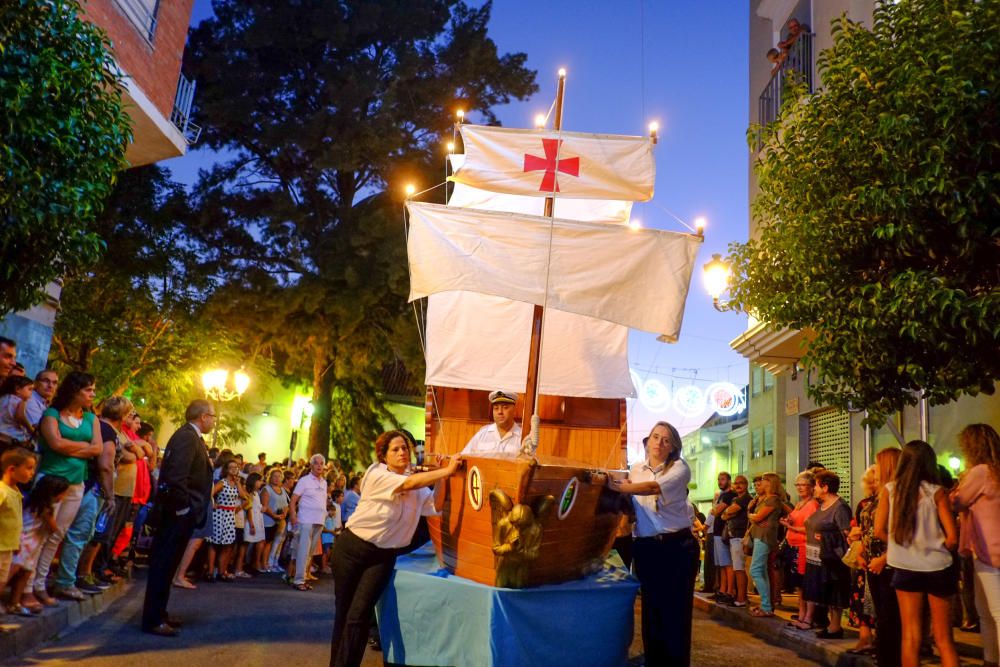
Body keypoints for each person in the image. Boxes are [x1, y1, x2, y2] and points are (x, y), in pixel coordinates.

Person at [330, 431, 461, 667]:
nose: (402, 453)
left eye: (405, 449)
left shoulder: (417, 487)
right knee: (344, 612)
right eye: (396, 449)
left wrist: (443, 477)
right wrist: (447, 470)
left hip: (383, 556)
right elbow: (408, 483)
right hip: (352, 548)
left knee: (359, 615)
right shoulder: (377, 474)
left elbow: (435, 505)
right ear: (384, 455)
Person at [609, 421, 698, 666]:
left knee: (676, 612)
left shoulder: (679, 468)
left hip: (676, 547)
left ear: (672, 447)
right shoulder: (636, 469)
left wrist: (618, 486)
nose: (659, 443)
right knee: (651, 609)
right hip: (647, 547)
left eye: (666, 440)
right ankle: (654, 661)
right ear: (647, 441)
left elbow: (651, 488)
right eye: (655, 437)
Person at [875, 440, 959, 667]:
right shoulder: (937, 492)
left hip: (905, 567)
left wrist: (900, 546)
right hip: (938, 566)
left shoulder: (890, 490)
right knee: (944, 639)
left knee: (910, 636)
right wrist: (936, 544)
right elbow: (952, 537)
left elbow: (879, 530)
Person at [28, 371, 102, 609]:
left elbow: (97, 449)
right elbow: (54, 443)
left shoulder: (91, 419)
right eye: (88, 390)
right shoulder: (52, 414)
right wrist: (82, 446)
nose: (93, 394)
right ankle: (27, 587)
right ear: (74, 391)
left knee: (57, 534)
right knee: (39, 533)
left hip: (76, 483)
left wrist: (68, 447)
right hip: (50, 481)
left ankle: (40, 584)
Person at [141, 400, 215, 637]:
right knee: (163, 565)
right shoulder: (187, 437)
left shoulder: (191, 437)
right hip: (176, 514)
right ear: (202, 417)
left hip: (181, 513)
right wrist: (184, 510)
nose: (214, 421)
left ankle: (160, 613)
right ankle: (153, 619)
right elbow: (176, 477)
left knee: (169, 565)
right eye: (212, 416)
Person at [952, 424, 1000, 667]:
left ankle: (992, 659)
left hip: (986, 550)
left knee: (992, 612)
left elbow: (958, 502)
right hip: (992, 547)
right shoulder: (995, 471)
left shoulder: (980, 472)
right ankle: (990, 659)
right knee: (987, 611)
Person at [8, 474, 70, 616]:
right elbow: (54, 528)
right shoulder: (45, 509)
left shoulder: (33, 503)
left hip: (31, 543)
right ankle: (13, 602)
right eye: (63, 493)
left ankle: (14, 603)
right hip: (25, 542)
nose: (64, 497)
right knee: (14, 572)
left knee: (24, 572)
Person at [862, 447, 902, 667]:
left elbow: (897, 531)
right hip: (873, 560)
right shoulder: (880, 494)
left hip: (888, 561)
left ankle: (890, 658)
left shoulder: (894, 492)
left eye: (878, 467)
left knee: (889, 616)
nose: (874, 473)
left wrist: (885, 556)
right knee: (881, 615)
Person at [803, 469, 852, 639]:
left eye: (816, 485)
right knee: (824, 592)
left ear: (825, 487)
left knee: (834, 591)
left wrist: (826, 537)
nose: (813, 489)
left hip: (832, 560)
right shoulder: (822, 505)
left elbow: (847, 535)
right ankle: (829, 624)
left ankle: (835, 626)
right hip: (817, 558)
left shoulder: (840, 508)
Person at [781, 470, 819, 630]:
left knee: (806, 584)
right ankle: (802, 614)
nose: (800, 487)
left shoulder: (812, 505)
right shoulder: (799, 503)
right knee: (798, 585)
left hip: (803, 547)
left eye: (804, 484)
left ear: (811, 487)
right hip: (794, 546)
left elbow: (810, 529)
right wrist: (789, 521)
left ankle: (808, 617)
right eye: (798, 485)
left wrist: (791, 527)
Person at [847, 466, 878, 653]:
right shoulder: (864, 504)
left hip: (881, 556)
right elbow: (857, 526)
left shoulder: (888, 501)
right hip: (864, 556)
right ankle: (865, 637)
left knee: (878, 600)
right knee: (860, 597)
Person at [0, 448, 36, 608]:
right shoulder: (2, 491)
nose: (32, 473)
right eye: (29, 468)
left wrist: (17, 543)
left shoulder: (16, 491)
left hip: (8, 547)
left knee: (2, 581)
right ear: (12, 469)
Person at [747, 472, 785, 617]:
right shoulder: (764, 499)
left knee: (755, 570)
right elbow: (754, 518)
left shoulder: (773, 500)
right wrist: (753, 516)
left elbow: (758, 517)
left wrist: (753, 516)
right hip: (759, 535)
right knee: (762, 571)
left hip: (765, 536)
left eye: (763, 480)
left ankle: (767, 605)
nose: (760, 483)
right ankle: (766, 605)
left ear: (769, 483)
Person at [289, 454, 328, 590]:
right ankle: (298, 580)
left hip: (319, 520)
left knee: (310, 553)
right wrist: (293, 515)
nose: (319, 466)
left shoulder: (324, 482)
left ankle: (304, 578)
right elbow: (293, 500)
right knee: (303, 551)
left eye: (321, 463)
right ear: (311, 465)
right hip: (306, 520)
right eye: (316, 463)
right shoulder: (304, 481)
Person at [206, 458, 248, 581]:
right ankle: (209, 572)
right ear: (227, 470)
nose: (235, 469)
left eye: (236, 467)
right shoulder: (222, 482)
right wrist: (213, 503)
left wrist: (238, 482)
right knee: (214, 544)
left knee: (227, 545)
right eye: (232, 467)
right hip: (219, 514)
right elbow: (210, 493)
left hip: (230, 515)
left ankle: (221, 571)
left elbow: (244, 496)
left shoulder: (236, 483)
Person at [460, 390, 522, 455]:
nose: (500, 412)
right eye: (496, 408)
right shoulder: (482, 434)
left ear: (514, 410)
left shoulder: (522, 438)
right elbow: (464, 456)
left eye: (505, 407)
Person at [721, 474, 751, 607]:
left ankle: (741, 598)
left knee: (739, 568)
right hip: (733, 536)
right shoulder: (735, 499)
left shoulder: (746, 499)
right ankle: (739, 596)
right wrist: (728, 512)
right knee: (736, 568)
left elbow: (729, 511)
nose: (738, 485)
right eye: (736, 483)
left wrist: (728, 512)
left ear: (746, 485)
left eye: (742, 483)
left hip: (740, 536)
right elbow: (723, 516)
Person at [262, 467, 290, 573]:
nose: (277, 478)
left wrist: (284, 514)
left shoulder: (282, 490)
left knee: (278, 542)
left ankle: (274, 562)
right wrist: (274, 515)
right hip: (269, 520)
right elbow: (265, 505)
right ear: (270, 477)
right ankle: (266, 563)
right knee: (268, 542)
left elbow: (287, 505)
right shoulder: (267, 489)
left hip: (280, 520)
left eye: (279, 476)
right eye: (275, 476)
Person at [240, 471, 265, 576]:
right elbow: (249, 509)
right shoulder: (249, 492)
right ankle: (239, 567)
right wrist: (251, 524)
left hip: (257, 519)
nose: (261, 483)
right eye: (259, 481)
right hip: (251, 521)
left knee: (255, 543)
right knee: (244, 545)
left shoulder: (256, 493)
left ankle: (253, 564)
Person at [0, 375, 36, 448]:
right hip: (13, 436)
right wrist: (31, 430)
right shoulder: (20, 401)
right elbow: (20, 416)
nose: (31, 393)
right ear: (17, 389)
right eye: (30, 389)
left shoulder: (3, 397)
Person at [24, 369, 58, 436]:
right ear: (35, 383)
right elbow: (42, 430)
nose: (50, 386)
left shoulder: (46, 402)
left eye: (54, 383)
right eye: (46, 381)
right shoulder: (30, 399)